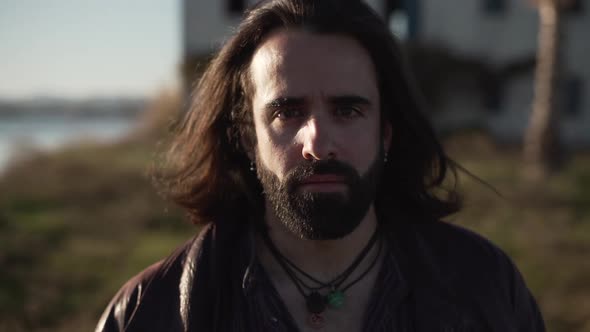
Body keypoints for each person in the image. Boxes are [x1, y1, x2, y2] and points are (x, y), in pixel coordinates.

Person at [96, 0, 545, 331]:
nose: (317, 143)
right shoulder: (150, 311)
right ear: (248, 139)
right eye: (287, 112)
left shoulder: (483, 287)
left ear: (385, 132)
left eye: (348, 110)